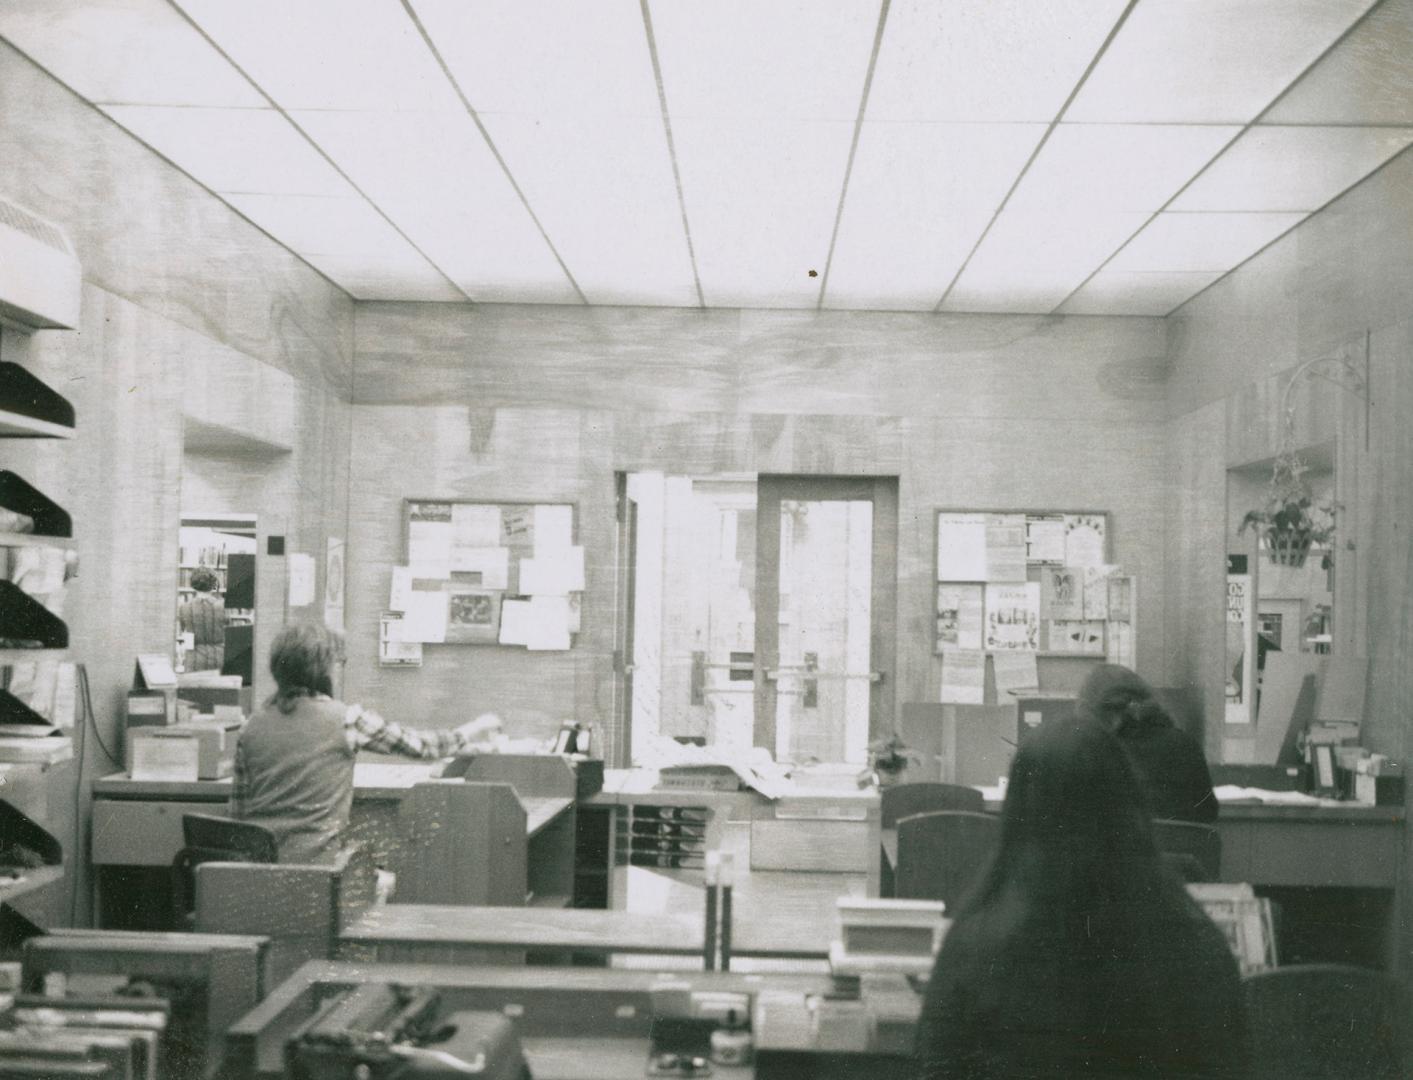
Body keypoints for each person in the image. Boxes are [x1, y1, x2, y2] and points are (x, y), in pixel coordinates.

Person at [915, 722, 1248, 1080]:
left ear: (1018, 811)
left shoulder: (977, 942)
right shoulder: (1194, 941)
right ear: (1129, 805)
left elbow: (937, 1063)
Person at [229, 621, 502, 863]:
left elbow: (239, 815)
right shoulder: (348, 719)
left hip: (259, 873)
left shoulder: (250, 727)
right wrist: (476, 727)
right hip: (321, 868)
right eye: (338, 662)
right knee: (390, 873)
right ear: (322, 669)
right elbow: (423, 747)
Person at [1075, 663, 1218, 824]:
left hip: (1117, 847)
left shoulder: (1089, 750)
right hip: (1180, 847)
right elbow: (1208, 812)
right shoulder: (1184, 744)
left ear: (1090, 709)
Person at [178, 567, 226, 672]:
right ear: (214, 584)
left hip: (194, 659)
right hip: (218, 658)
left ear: (193, 584)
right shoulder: (223, 606)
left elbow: (184, 631)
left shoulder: (184, 607)